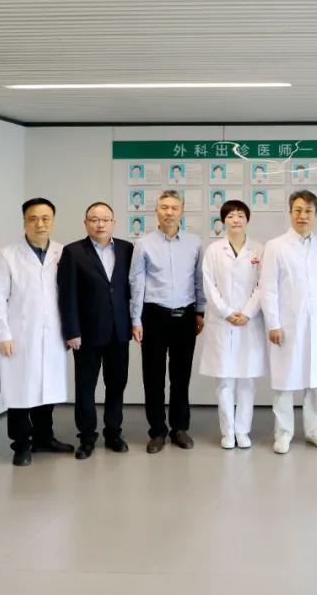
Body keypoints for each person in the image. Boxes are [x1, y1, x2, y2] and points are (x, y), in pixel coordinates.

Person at [0, 198, 74, 466]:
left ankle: (44, 438)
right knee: (21, 392)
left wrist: (69, 330)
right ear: (24, 221)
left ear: (53, 221)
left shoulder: (62, 252)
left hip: (53, 332)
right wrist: (3, 334)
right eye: (33, 218)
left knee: (47, 388)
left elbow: (68, 295)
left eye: (45, 218)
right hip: (20, 334)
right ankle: (21, 444)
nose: (40, 224)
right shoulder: (7, 254)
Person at [260, 190, 317, 454]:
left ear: (315, 214)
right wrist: (273, 323)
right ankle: (283, 433)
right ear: (290, 212)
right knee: (285, 379)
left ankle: (314, 429)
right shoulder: (276, 246)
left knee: (316, 379)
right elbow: (268, 288)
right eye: (298, 210)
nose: (302, 216)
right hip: (288, 324)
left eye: (308, 211)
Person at [130, 190, 206, 453]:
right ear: (156, 211)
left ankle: (180, 428)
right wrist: (136, 319)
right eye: (164, 207)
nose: (169, 212)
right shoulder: (144, 244)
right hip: (154, 315)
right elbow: (136, 282)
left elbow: (199, 279)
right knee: (153, 377)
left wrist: (200, 311)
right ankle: (157, 431)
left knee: (181, 376)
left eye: (174, 207)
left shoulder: (195, 243)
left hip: (185, 316)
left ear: (182, 211)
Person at [57, 202, 133, 459]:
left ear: (114, 222)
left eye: (105, 219)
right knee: (85, 387)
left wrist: (134, 322)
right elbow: (67, 294)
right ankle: (87, 437)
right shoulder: (73, 252)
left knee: (116, 385)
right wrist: (71, 330)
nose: (100, 224)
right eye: (94, 219)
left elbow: (131, 289)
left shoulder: (126, 249)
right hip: (86, 334)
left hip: (119, 331)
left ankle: (113, 433)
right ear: (85, 223)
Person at [200, 200, 267, 450]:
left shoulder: (259, 249)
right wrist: (227, 313)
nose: (235, 220)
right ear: (223, 221)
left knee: (247, 381)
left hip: (250, 322)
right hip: (222, 322)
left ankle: (243, 431)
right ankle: (228, 432)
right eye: (230, 216)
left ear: (247, 219)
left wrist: (247, 312)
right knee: (225, 381)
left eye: (240, 215)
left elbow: (263, 285)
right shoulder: (213, 250)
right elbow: (209, 286)